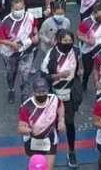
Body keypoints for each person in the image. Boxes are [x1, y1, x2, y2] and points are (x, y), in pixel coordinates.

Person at [40, 28, 82, 168]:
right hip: (55, 93)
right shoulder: (51, 54)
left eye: (70, 41)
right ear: (58, 41)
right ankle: (50, 149)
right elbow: (44, 76)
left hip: (70, 93)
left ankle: (71, 151)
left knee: (69, 122)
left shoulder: (76, 51)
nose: (67, 43)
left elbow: (78, 67)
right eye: (64, 40)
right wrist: (59, 76)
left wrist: (79, 72)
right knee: (54, 123)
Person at [18, 75, 65, 170]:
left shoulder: (54, 99)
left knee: (48, 168)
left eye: (43, 92)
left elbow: (60, 106)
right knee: (35, 167)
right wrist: (29, 130)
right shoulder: (26, 106)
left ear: (47, 91)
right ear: (33, 92)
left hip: (50, 139)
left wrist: (61, 120)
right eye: (38, 92)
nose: (41, 95)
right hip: (32, 141)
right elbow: (20, 128)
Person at [0, 0, 39, 104]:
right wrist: (11, 44)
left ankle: (24, 94)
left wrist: (36, 35)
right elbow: (0, 39)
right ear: (11, 9)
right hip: (11, 52)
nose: (19, 11)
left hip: (27, 50)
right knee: (11, 73)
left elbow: (34, 28)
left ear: (24, 7)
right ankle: (11, 89)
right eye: (16, 9)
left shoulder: (30, 17)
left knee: (25, 74)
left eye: (21, 8)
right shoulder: (6, 21)